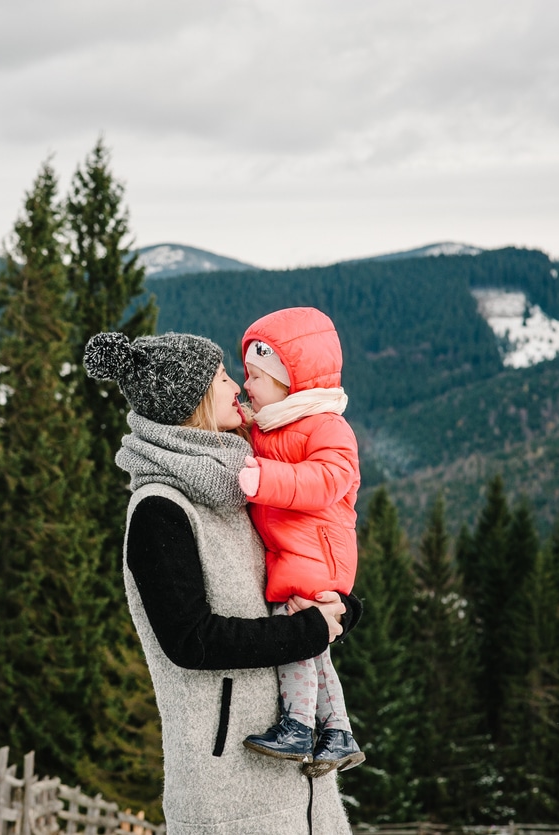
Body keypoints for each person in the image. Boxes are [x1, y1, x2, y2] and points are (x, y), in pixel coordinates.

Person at [83, 329, 360, 835]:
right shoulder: (160, 510)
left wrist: (337, 608)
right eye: (222, 377)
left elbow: (285, 575)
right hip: (229, 794)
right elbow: (191, 640)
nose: (237, 385)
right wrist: (309, 632)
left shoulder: (239, 487)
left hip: (308, 796)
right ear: (193, 400)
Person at [235, 307, 364, 777]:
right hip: (300, 552)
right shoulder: (276, 424)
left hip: (318, 556)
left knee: (295, 635)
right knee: (317, 647)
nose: (246, 384)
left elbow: (327, 480)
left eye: (256, 376)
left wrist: (262, 478)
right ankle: (338, 732)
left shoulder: (328, 427)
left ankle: (297, 726)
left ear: (290, 381)